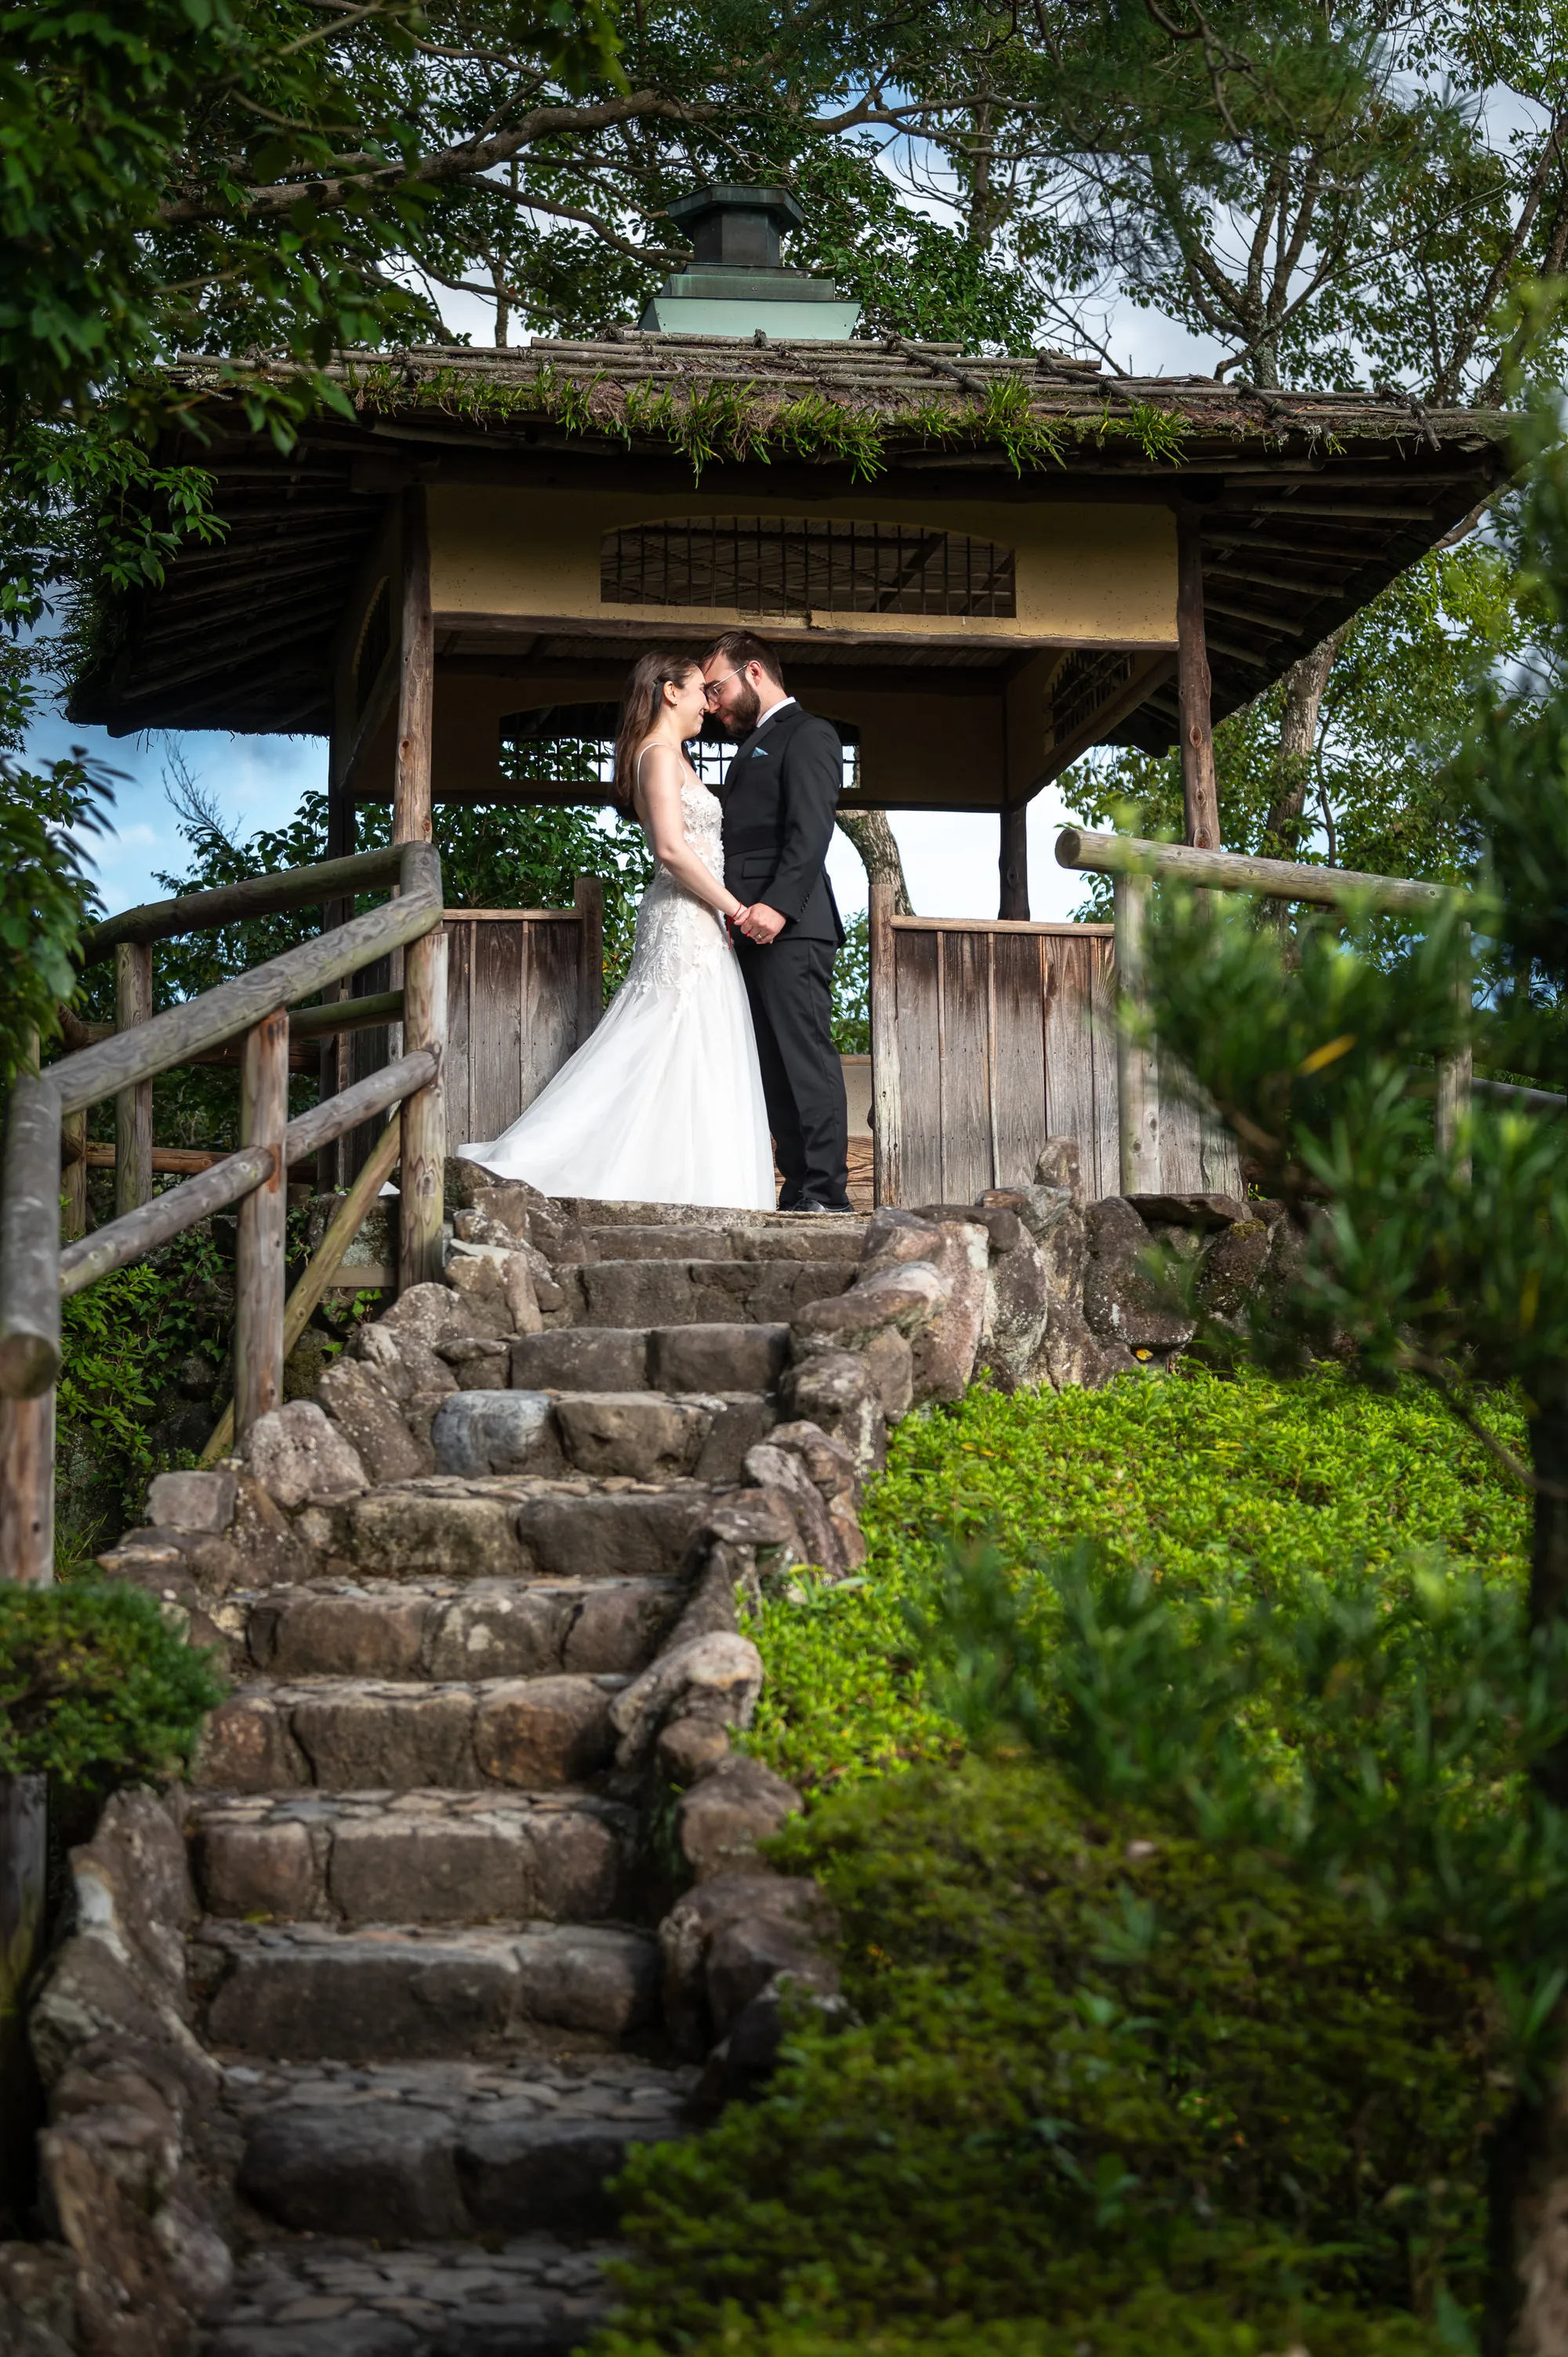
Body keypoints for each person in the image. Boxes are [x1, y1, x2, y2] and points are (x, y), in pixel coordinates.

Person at [458, 649, 775, 1209]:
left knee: (692, 1046)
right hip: (683, 918)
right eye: (699, 691)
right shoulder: (657, 755)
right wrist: (736, 909)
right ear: (670, 692)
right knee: (658, 1037)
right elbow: (671, 848)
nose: (708, 704)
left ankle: (683, 1181)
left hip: (698, 919)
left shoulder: (672, 755)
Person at [702, 630, 853, 1214]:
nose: (712, 702)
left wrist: (779, 905)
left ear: (754, 672)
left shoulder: (809, 733)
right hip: (746, 928)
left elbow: (811, 829)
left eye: (716, 687)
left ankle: (827, 1194)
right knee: (771, 1064)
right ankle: (798, 1188)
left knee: (804, 1057)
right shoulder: (754, 743)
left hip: (792, 923)